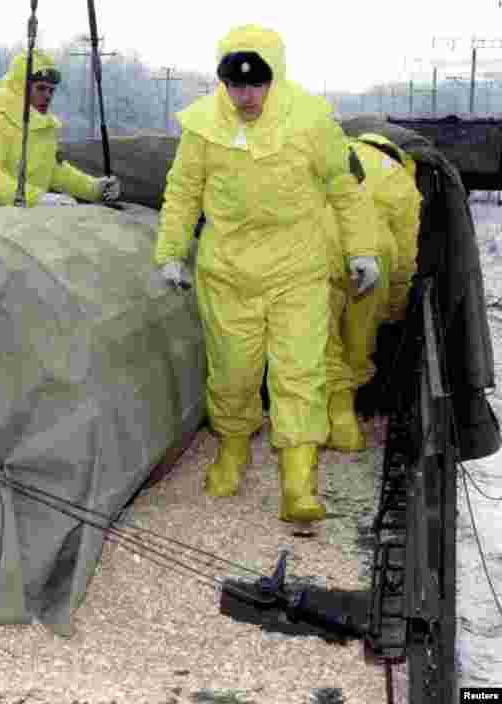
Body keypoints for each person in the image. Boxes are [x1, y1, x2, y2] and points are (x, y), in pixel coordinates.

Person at [154, 25, 380, 523]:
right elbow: (183, 192)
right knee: (234, 373)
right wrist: (171, 251)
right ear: (222, 81)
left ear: (274, 76)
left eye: (256, 84)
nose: (247, 95)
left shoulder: (310, 121)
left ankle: (299, 483)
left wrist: (362, 248)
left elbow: (343, 188)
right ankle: (233, 449)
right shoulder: (202, 127)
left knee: (300, 372)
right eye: (236, 84)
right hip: (228, 272)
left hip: (296, 267)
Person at [324, 133, 422, 450]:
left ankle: (326, 418)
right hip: (375, 254)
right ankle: (345, 425)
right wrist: (394, 311)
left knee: (321, 341)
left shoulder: (341, 150)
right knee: (358, 343)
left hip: (318, 242)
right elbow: (406, 261)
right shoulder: (404, 184)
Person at [0, 49, 121, 214]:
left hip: (16, 225)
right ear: (19, 86)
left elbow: (52, 171)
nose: (48, 96)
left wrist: (95, 188)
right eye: (41, 88)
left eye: (51, 90)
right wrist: (37, 200)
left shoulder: (40, 127)